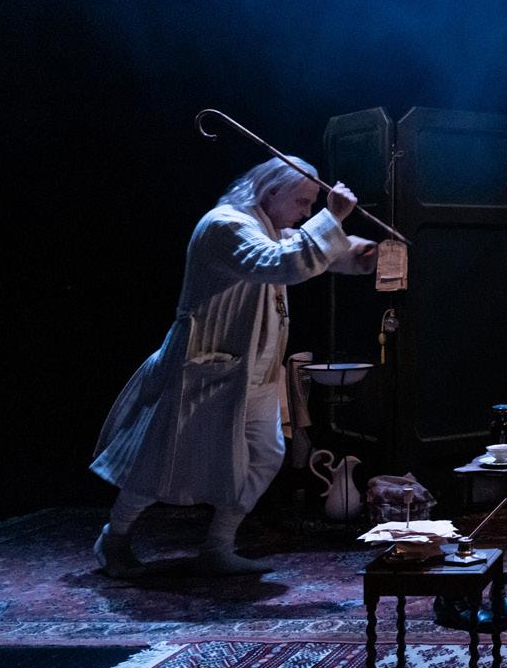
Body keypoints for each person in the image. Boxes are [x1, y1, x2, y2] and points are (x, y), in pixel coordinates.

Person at [91, 156, 378, 577]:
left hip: (254, 372)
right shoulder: (226, 225)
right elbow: (282, 261)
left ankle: (218, 546)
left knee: (265, 455)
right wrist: (332, 218)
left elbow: (308, 250)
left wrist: (361, 252)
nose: (305, 213)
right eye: (302, 202)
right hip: (203, 368)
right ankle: (114, 538)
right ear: (272, 191)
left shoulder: (268, 228)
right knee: (163, 462)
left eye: (311, 205)